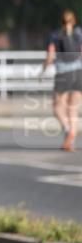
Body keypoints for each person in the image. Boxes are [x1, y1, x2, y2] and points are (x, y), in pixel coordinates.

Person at [42, 9, 82, 151]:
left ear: (61, 22)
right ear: (74, 21)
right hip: (78, 73)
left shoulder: (55, 35)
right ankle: (71, 138)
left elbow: (50, 56)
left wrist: (43, 71)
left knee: (58, 107)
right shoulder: (79, 34)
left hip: (63, 74)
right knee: (73, 108)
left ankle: (67, 129)